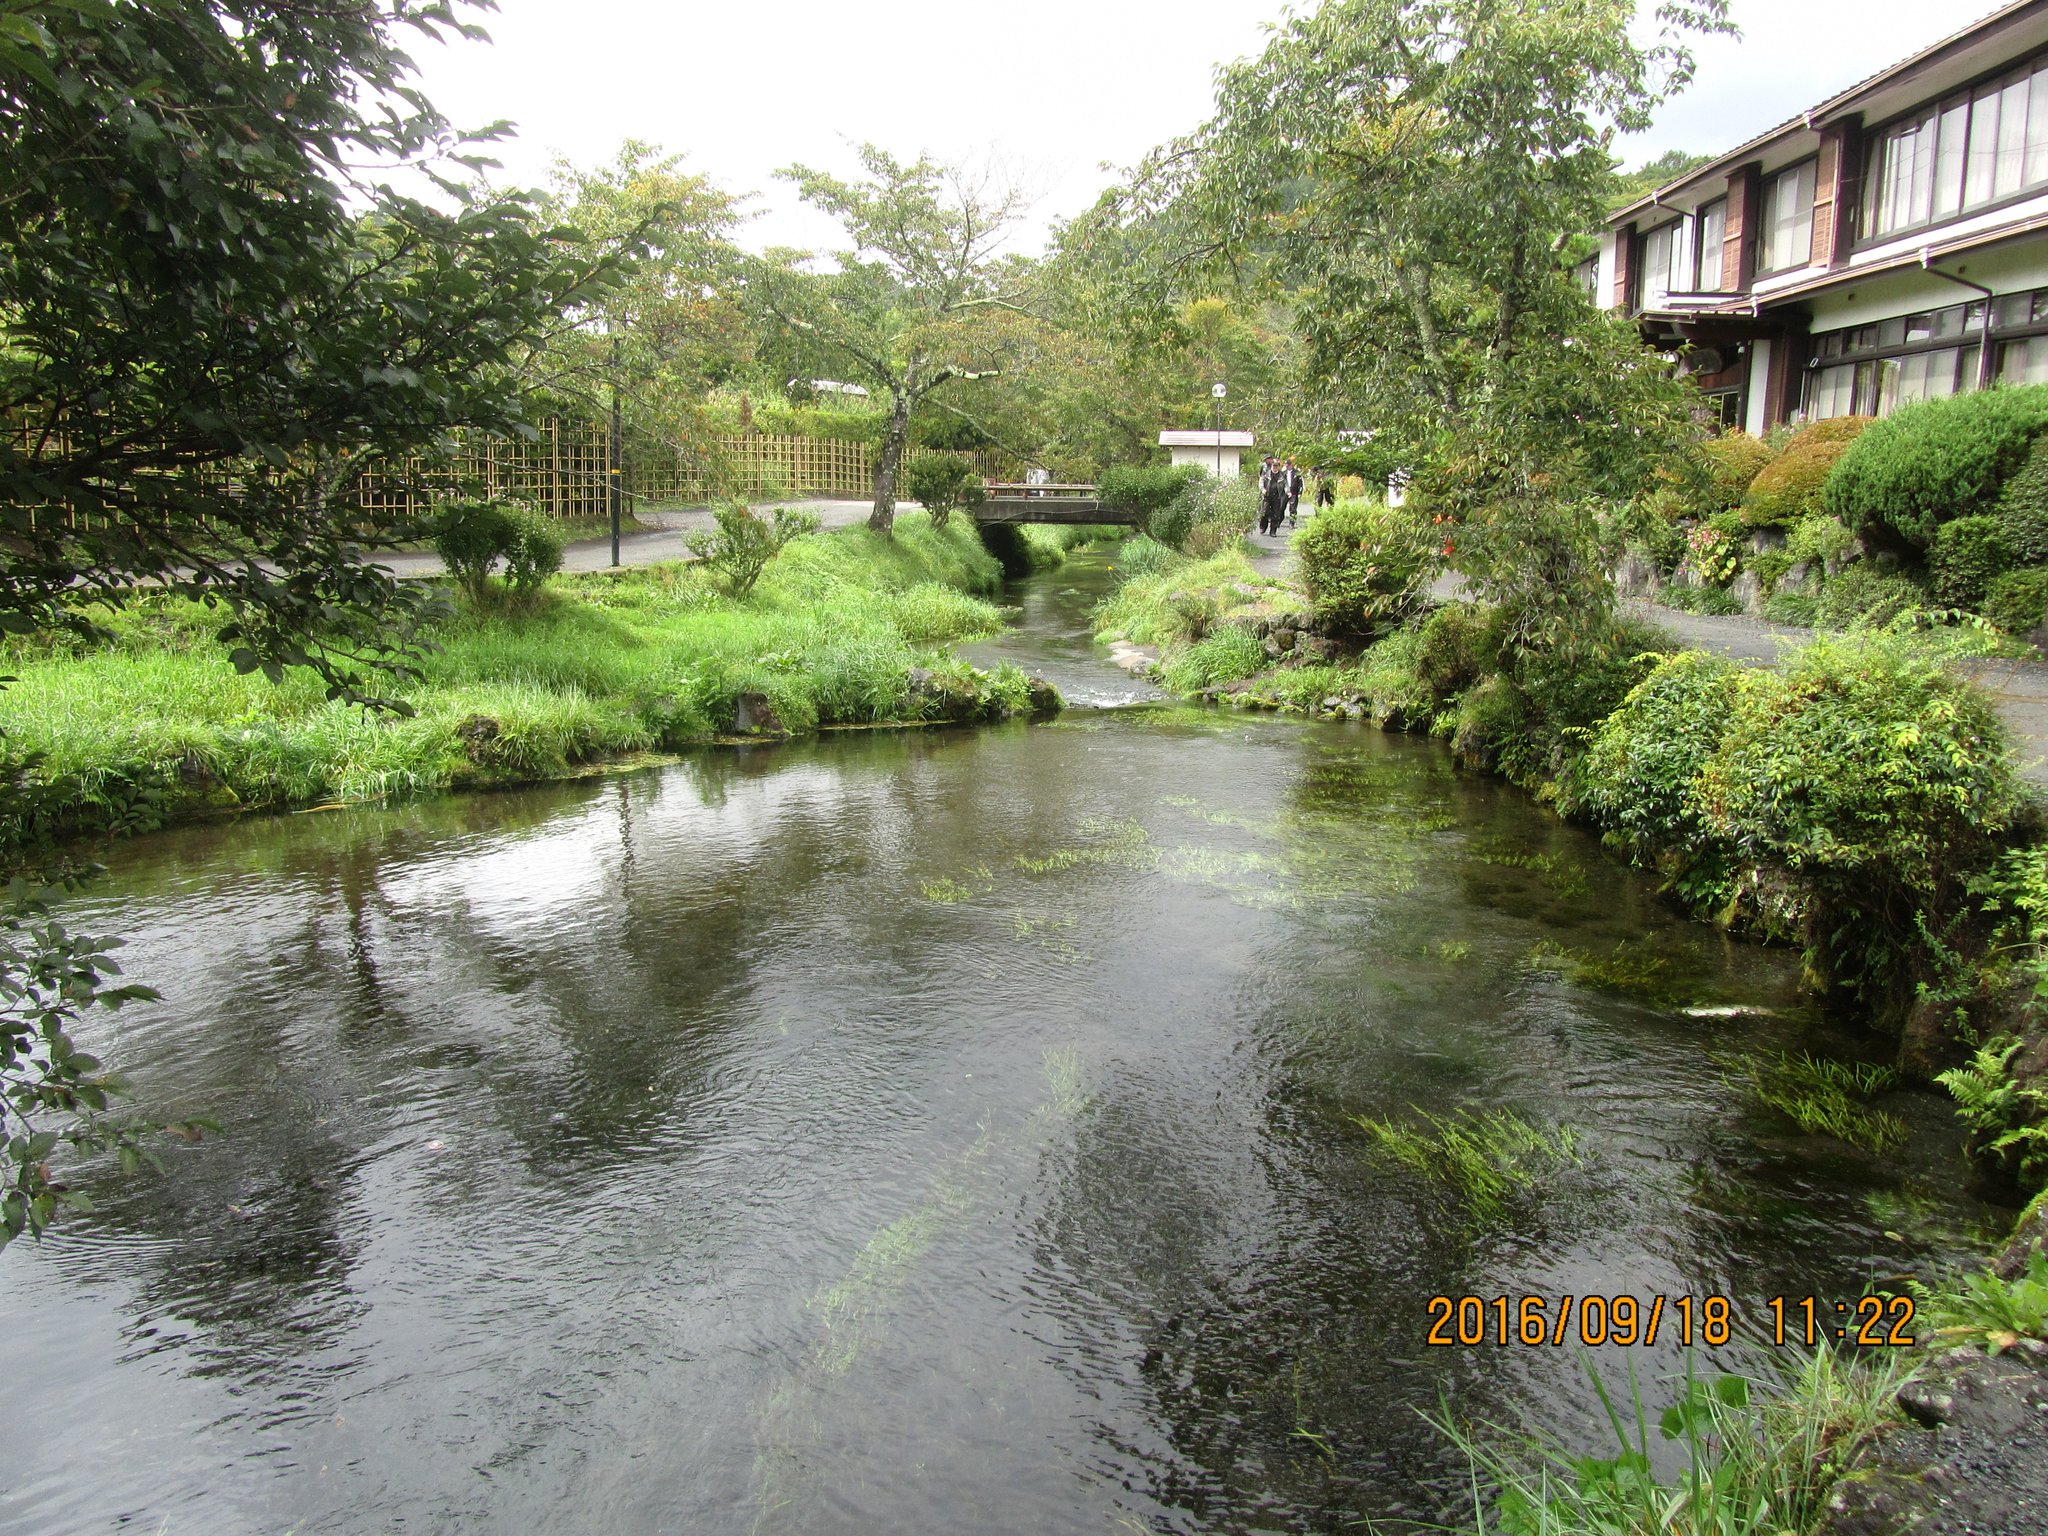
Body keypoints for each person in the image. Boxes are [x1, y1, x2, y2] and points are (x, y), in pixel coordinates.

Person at [1259, 457, 1289, 537]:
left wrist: (1288, 491)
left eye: (1276, 466)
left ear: (1278, 467)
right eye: (1273, 466)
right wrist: (1263, 489)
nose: (1275, 467)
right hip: (1267, 496)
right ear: (1271, 466)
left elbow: (1286, 484)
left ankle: (1273, 531)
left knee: (1276, 515)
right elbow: (1261, 482)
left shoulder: (1282, 475)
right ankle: (1263, 527)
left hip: (1277, 497)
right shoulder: (1266, 474)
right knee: (1265, 513)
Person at [1284, 457, 1304, 527]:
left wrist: (1300, 493)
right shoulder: (1283, 473)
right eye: (1286, 465)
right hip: (1285, 493)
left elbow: (1300, 484)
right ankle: (1278, 521)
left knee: (1293, 509)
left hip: (1294, 493)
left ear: (1291, 465)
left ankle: (1292, 523)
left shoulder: (1297, 473)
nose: (1287, 466)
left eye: (1288, 465)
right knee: (1281, 507)